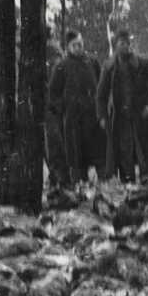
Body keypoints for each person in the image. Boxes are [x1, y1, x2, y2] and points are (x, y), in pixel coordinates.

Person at [96, 28, 148, 182]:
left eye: (128, 43)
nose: (125, 46)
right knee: (124, 155)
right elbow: (100, 96)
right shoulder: (109, 67)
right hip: (121, 120)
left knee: (145, 153)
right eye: (121, 43)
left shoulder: (143, 63)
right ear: (115, 46)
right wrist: (102, 116)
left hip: (142, 116)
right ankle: (129, 187)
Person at [48, 30, 103, 183]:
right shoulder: (61, 67)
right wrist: (65, 107)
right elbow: (53, 95)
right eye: (74, 45)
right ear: (68, 47)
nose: (78, 48)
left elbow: (101, 85)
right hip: (73, 122)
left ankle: (105, 188)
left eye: (80, 44)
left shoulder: (92, 62)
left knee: (99, 155)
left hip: (93, 119)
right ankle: (80, 189)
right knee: (77, 160)